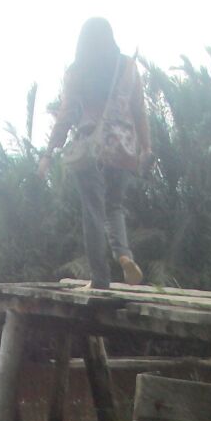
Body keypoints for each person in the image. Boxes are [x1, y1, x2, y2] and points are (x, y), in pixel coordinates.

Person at [38, 17, 151, 290]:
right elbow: (139, 110)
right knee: (114, 206)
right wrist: (146, 147)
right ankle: (124, 255)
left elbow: (65, 116)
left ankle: (100, 280)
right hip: (123, 149)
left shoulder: (78, 72)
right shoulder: (127, 67)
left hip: (90, 150)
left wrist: (48, 154)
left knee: (93, 213)